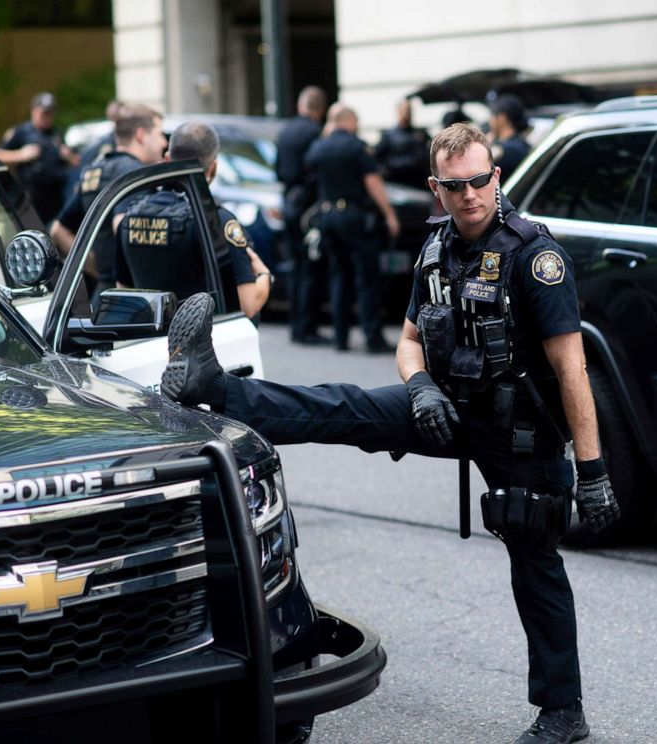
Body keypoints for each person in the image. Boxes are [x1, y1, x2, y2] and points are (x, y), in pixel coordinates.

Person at [160, 123, 620, 744]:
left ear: (497, 176)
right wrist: (421, 386)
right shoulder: (435, 250)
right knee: (344, 406)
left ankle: (564, 710)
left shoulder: (534, 257)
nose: (469, 195)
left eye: (480, 181)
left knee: (533, 562)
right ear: (435, 187)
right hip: (446, 406)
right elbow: (409, 342)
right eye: (454, 186)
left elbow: (573, 369)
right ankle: (214, 389)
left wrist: (590, 473)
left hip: (519, 431)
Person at [115, 121, 272, 322]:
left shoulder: (130, 217)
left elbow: (124, 295)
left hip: (147, 345)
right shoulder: (216, 221)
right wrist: (265, 277)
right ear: (213, 168)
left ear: (166, 159)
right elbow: (247, 305)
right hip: (201, 346)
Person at [305, 102, 399, 352]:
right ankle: (372, 337)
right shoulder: (357, 147)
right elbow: (373, 183)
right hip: (354, 217)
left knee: (339, 275)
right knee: (366, 277)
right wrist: (390, 215)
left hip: (327, 216)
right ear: (351, 121)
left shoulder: (318, 147)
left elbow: (310, 173)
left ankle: (340, 337)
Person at [49, 103, 168, 300]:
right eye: (159, 133)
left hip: (102, 295)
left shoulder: (95, 171)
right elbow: (121, 226)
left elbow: (58, 230)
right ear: (140, 135)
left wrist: (101, 270)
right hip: (133, 298)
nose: (164, 142)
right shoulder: (136, 174)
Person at [278, 85, 328, 345]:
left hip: (287, 201)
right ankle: (307, 327)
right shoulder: (314, 133)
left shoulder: (285, 131)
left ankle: (295, 325)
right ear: (319, 110)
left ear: (300, 105)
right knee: (310, 267)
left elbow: (277, 170)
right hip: (307, 206)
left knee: (296, 267)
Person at [0, 92, 78, 225]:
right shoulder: (21, 132)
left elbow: (76, 162)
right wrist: (21, 154)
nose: (47, 116)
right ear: (34, 110)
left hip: (56, 197)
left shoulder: (57, 133)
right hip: (31, 197)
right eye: (44, 112)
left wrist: (68, 155)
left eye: (50, 112)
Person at [375, 98, 431, 188]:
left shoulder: (421, 134)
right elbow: (377, 158)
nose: (406, 113)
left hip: (419, 184)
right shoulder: (388, 136)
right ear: (397, 111)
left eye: (408, 110)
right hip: (397, 184)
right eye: (404, 110)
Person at [488, 94, 531, 183]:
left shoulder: (514, 148)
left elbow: (487, 156)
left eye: (492, 116)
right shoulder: (516, 144)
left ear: (502, 118)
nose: (490, 121)